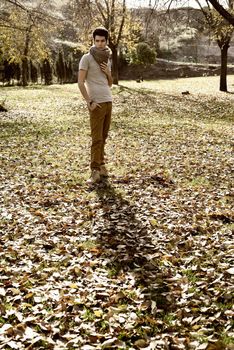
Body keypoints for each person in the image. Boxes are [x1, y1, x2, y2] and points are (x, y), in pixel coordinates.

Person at [78, 27, 113, 184]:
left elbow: (110, 83)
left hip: (108, 100)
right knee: (96, 138)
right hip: (96, 102)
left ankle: (102, 165)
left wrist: (108, 73)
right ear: (93, 41)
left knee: (104, 137)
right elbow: (80, 82)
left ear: (106, 41)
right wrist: (89, 102)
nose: (99, 44)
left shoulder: (107, 58)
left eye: (102, 41)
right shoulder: (86, 58)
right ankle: (94, 171)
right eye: (97, 41)